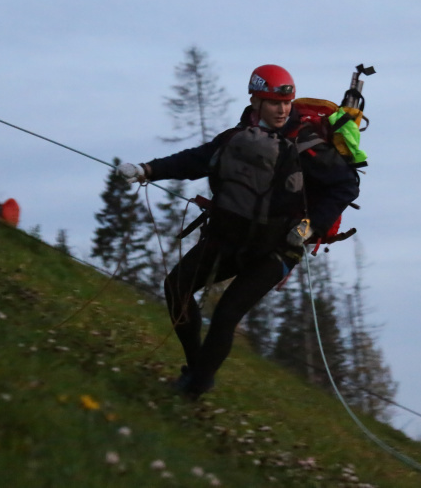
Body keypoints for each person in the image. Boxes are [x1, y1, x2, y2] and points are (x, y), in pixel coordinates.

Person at [117, 64, 360, 399]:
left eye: (286, 102)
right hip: (232, 236)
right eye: (274, 102)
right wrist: (147, 170)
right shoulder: (238, 135)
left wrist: (310, 226)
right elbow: (197, 159)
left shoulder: (306, 143)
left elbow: (346, 186)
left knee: (227, 314)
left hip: (279, 247)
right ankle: (198, 370)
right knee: (176, 287)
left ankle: (191, 391)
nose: (283, 109)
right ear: (255, 100)